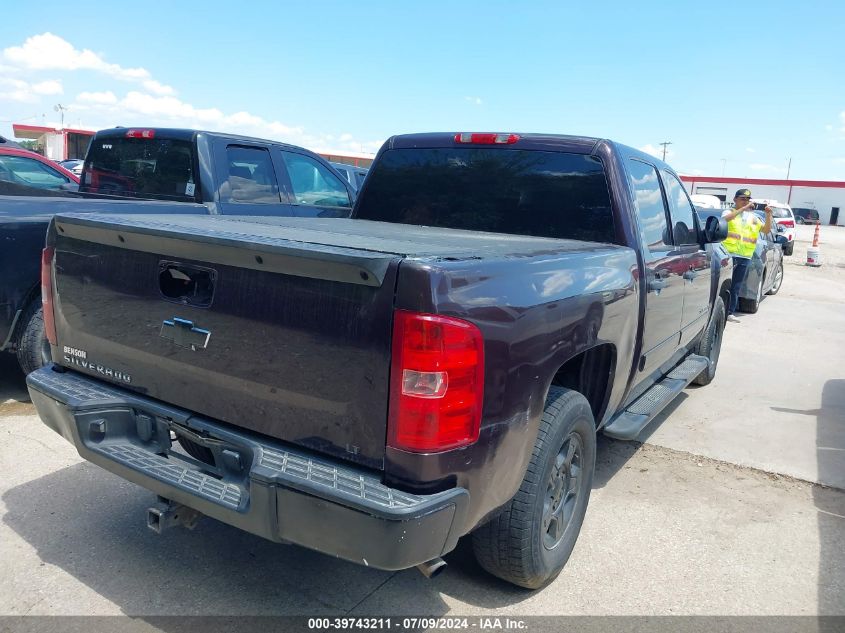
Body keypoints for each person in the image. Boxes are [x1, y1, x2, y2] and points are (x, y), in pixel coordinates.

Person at [722, 188, 772, 322]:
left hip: (745, 256)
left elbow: (766, 230)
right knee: (724, 285)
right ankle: (719, 311)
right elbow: (724, 220)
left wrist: (768, 215)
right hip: (729, 255)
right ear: (735, 200)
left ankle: (729, 313)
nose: (746, 201)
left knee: (736, 286)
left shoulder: (753, 217)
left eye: (748, 199)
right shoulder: (729, 212)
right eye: (743, 199)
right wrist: (743, 209)